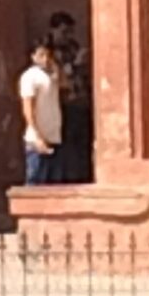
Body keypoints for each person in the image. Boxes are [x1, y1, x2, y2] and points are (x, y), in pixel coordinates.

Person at [47, 11, 94, 183]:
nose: (67, 36)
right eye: (64, 32)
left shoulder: (73, 47)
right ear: (54, 30)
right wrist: (75, 64)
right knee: (64, 145)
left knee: (80, 142)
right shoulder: (46, 50)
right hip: (59, 104)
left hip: (79, 101)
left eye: (70, 32)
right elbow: (55, 76)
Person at [18, 40, 64, 185]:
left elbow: (64, 84)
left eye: (47, 55)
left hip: (53, 136)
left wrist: (56, 68)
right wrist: (37, 136)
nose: (45, 59)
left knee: (51, 184)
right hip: (37, 139)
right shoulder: (30, 77)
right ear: (33, 57)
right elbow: (27, 107)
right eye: (41, 55)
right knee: (35, 181)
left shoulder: (50, 76)